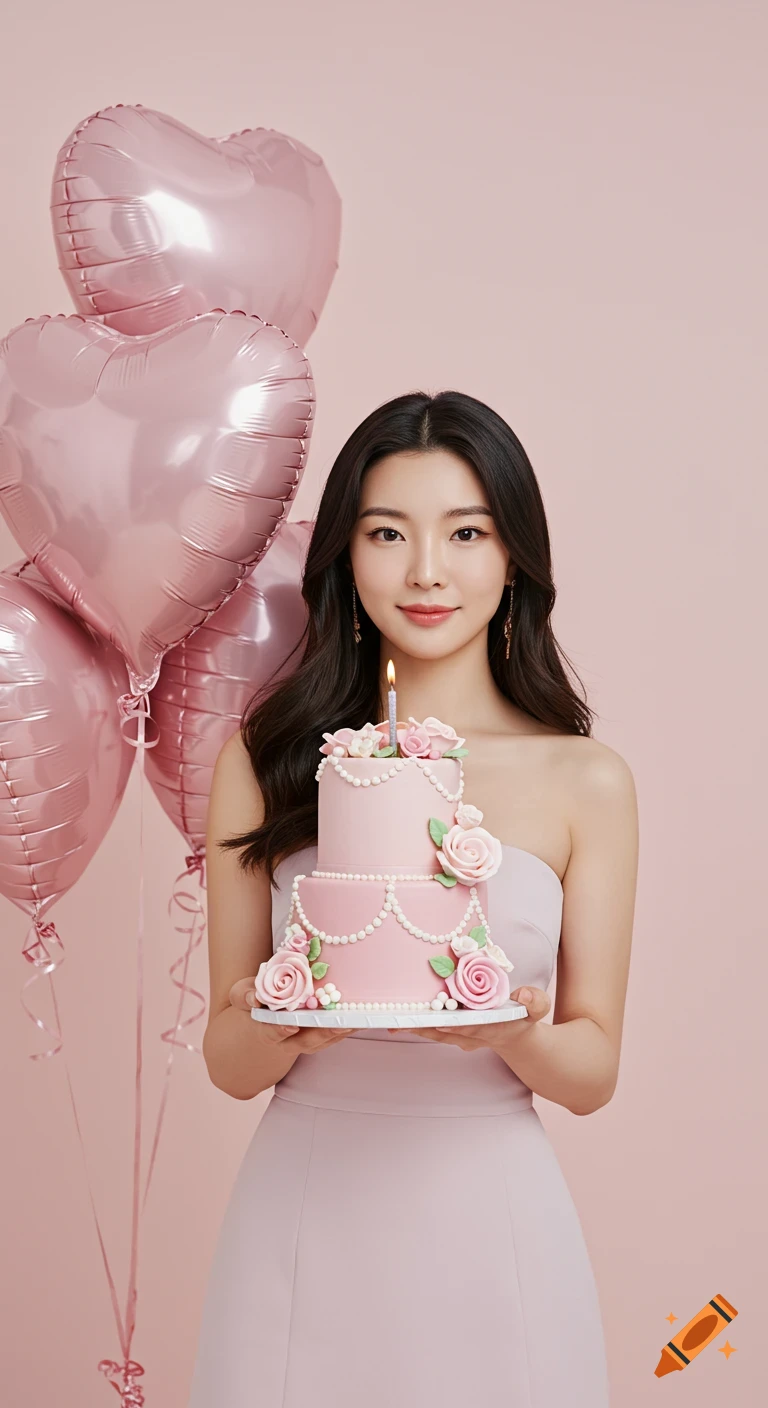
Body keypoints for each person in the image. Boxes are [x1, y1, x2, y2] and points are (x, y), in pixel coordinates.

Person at [188, 389, 638, 1407]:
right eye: (387, 532)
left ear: (513, 555)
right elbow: (226, 1054)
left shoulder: (588, 780)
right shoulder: (265, 760)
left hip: (493, 1215)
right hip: (307, 1205)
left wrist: (512, 1032)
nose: (427, 571)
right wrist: (290, 1026)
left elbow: (593, 1068)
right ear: (346, 555)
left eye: (466, 533)